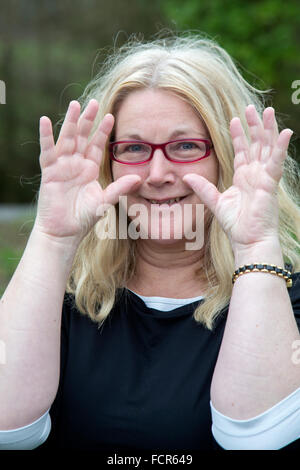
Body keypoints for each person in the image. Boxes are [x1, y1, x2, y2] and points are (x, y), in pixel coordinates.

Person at [0, 33, 299, 452]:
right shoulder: (61, 296)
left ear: (229, 159)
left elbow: (257, 440)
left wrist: (254, 244)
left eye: (185, 146)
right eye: (135, 147)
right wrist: (52, 238)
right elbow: (7, 430)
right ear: (106, 161)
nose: (157, 173)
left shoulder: (286, 301)